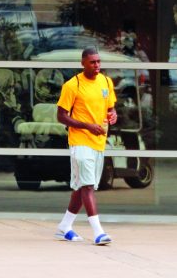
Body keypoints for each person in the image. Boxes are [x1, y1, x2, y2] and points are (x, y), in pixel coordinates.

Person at [54, 47, 117, 245]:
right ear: (83, 63)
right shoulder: (72, 85)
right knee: (88, 185)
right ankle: (98, 232)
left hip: (99, 142)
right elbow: (61, 116)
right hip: (80, 141)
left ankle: (64, 227)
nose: (97, 65)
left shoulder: (106, 82)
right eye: (92, 62)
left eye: (98, 61)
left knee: (82, 186)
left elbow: (111, 107)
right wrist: (87, 126)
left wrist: (113, 115)